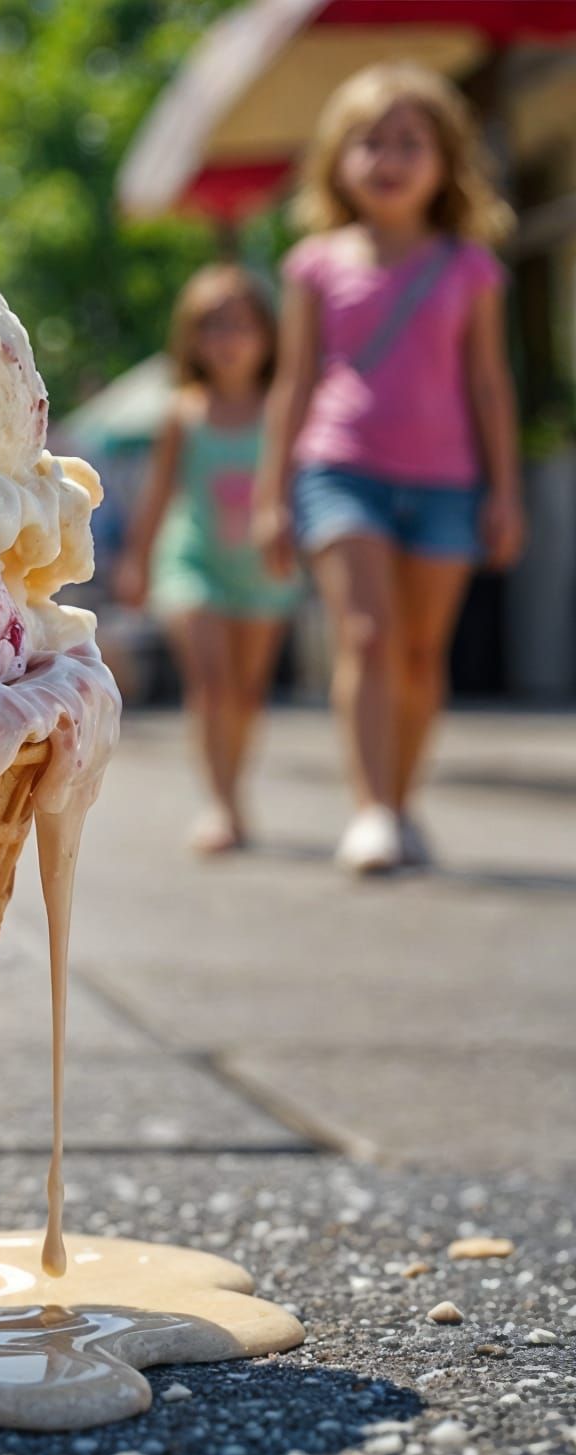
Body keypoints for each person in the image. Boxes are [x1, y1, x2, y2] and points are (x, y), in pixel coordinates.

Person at [254, 63, 521, 874]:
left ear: (446, 161)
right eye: (370, 141)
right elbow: (294, 382)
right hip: (341, 470)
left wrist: (505, 492)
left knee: (417, 655)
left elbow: (487, 381)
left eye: (411, 141)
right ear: (338, 159)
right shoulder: (313, 265)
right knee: (367, 637)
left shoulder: (470, 267)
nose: (390, 157)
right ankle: (370, 810)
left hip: (448, 483)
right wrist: (272, 497)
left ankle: (402, 804)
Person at [116, 266, 297, 854]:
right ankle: (220, 804)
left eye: (241, 324)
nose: (228, 338)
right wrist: (137, 561)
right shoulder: (184, 412)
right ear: (191, 339)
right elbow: (159, 492)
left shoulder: (283, 409)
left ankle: (235, 786)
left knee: (246, 694)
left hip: (265, 569)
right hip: (193, 562)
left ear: (268, 335)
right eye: (212, 326)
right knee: (213, 684)